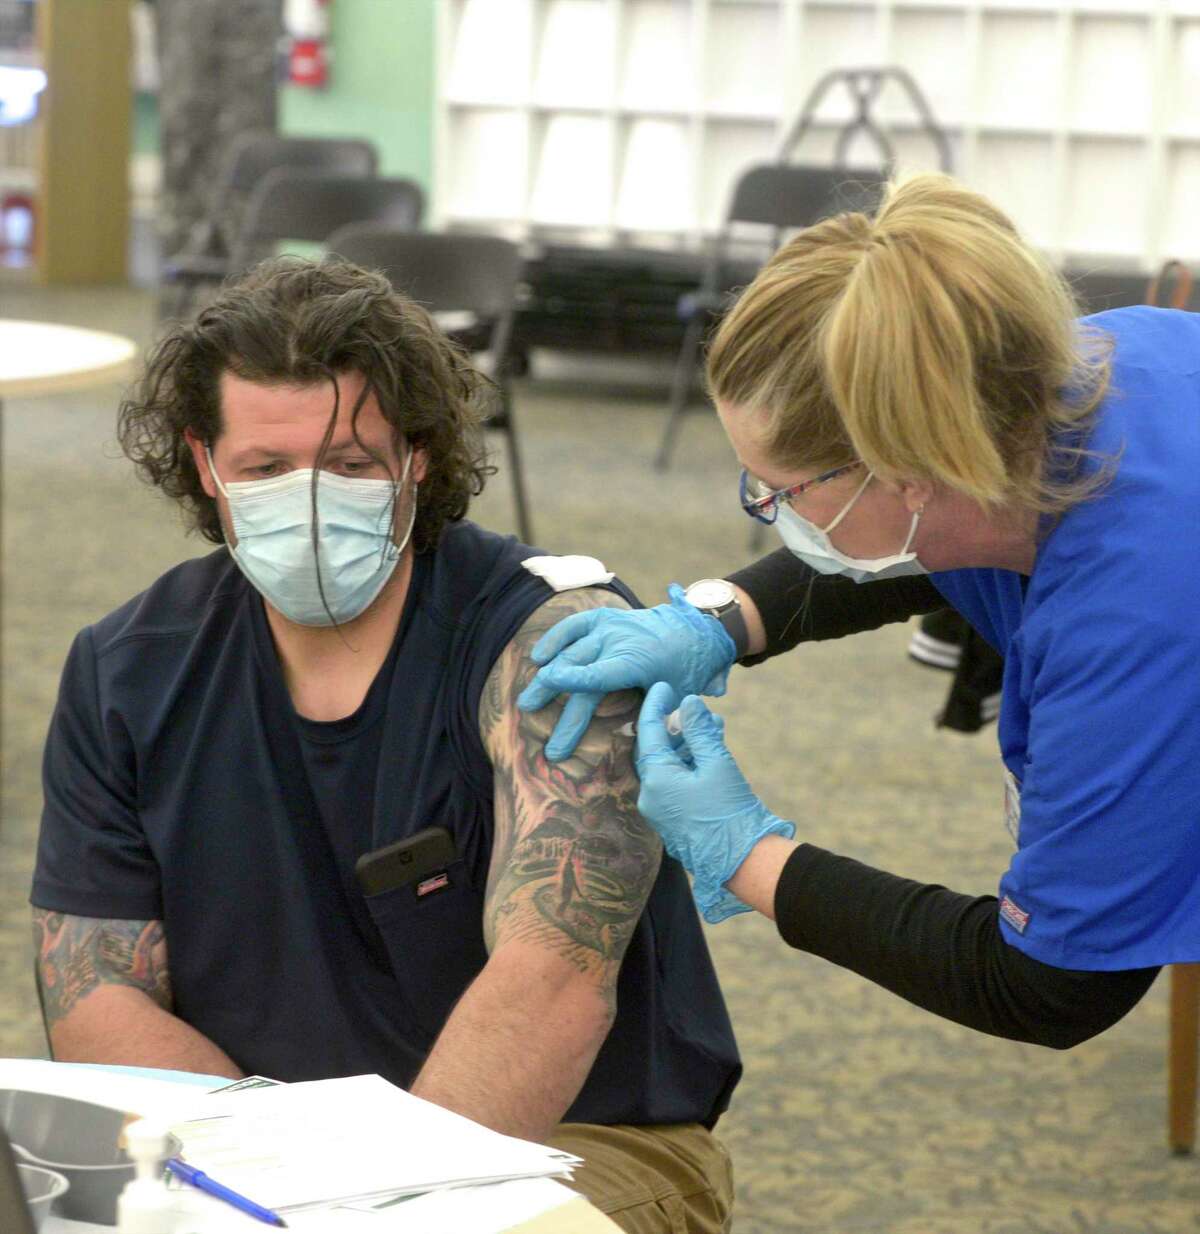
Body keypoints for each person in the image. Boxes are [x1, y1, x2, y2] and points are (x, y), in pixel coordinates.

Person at [30, 257, 738, 1233]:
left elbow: (556, 978)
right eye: (267, 470)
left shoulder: (554, 642)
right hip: (261, 1147)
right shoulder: (128, 670)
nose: (310, 501)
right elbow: (96, 988)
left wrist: (377, 1209)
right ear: (205, 466)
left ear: (413, 457)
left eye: (350, 464)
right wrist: (264, 1173)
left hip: (572, 1143)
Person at [519, 173, 1200, 1050]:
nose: (769, 515)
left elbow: (1049, 989)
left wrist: (748, 856)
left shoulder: (1135, 623)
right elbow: (936, 539)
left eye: (781, 492)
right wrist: (720, 619)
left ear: (912, 467)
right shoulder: (1064, 368)